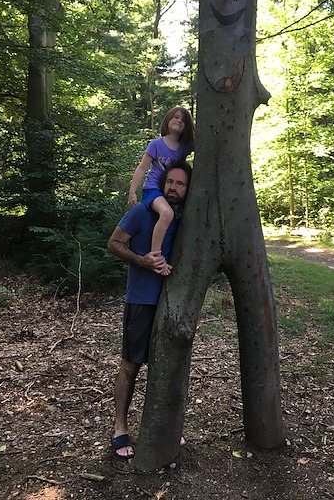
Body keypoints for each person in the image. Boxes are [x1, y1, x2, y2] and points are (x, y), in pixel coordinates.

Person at [108, 160, 192, 460]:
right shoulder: (142, 212)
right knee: (131, 365)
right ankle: (119, 427)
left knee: (166, 366)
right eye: (170, 182)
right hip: (141, 300)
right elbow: (114, 243)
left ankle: (164, 427)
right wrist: (142, 260)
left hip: (174, 303)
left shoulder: (188, 219)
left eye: (180, 184)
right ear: (162, 183)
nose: (173, 188)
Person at [128, 106, 194, 276]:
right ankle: (156, 257)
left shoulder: (185, 146)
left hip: (170, 191)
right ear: (168, 119)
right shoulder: (156, 144)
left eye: (184, 120)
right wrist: (132, 192)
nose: (179, 121)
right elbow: (141, 168)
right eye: (176, 117)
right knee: (166, 213)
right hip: (153, 190)